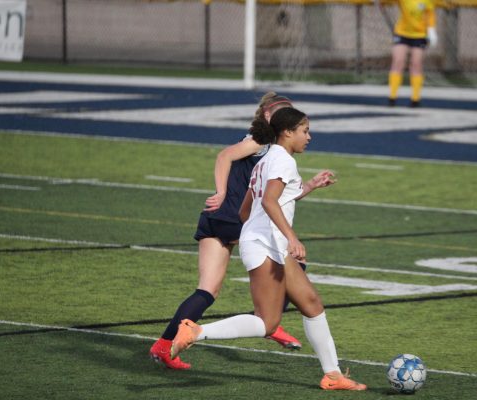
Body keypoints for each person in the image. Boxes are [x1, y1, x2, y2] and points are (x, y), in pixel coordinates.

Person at [170, 107, 367, 391]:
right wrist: (291, 238)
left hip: (265, 243)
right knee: (267, 323)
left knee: (311, 303)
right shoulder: (282, 162)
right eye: (305, 130)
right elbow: (269, 202)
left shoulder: (267, 160)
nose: (309, 137)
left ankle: (333, 375)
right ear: (288, 132)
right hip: (267, 245)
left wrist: (308, 187)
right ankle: (196, 331)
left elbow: (246, 210)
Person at [149, 93, 333, 370]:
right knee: (294, 263)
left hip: (216, 218)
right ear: (272, 118)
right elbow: (227, 159)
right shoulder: (265, 143)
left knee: (207, 290)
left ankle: (163, 346)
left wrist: (308, 186)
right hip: (235, 217)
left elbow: (272, 194)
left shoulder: (265, 147)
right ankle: (268, 322)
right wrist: (223, 193)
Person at [387, 0, 437, 107]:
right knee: (398, 61)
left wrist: (431, 30)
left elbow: (430, 14)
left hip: (419, 34)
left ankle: (415, 99)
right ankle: (392, 97)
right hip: (402, 32)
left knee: (416, 64)